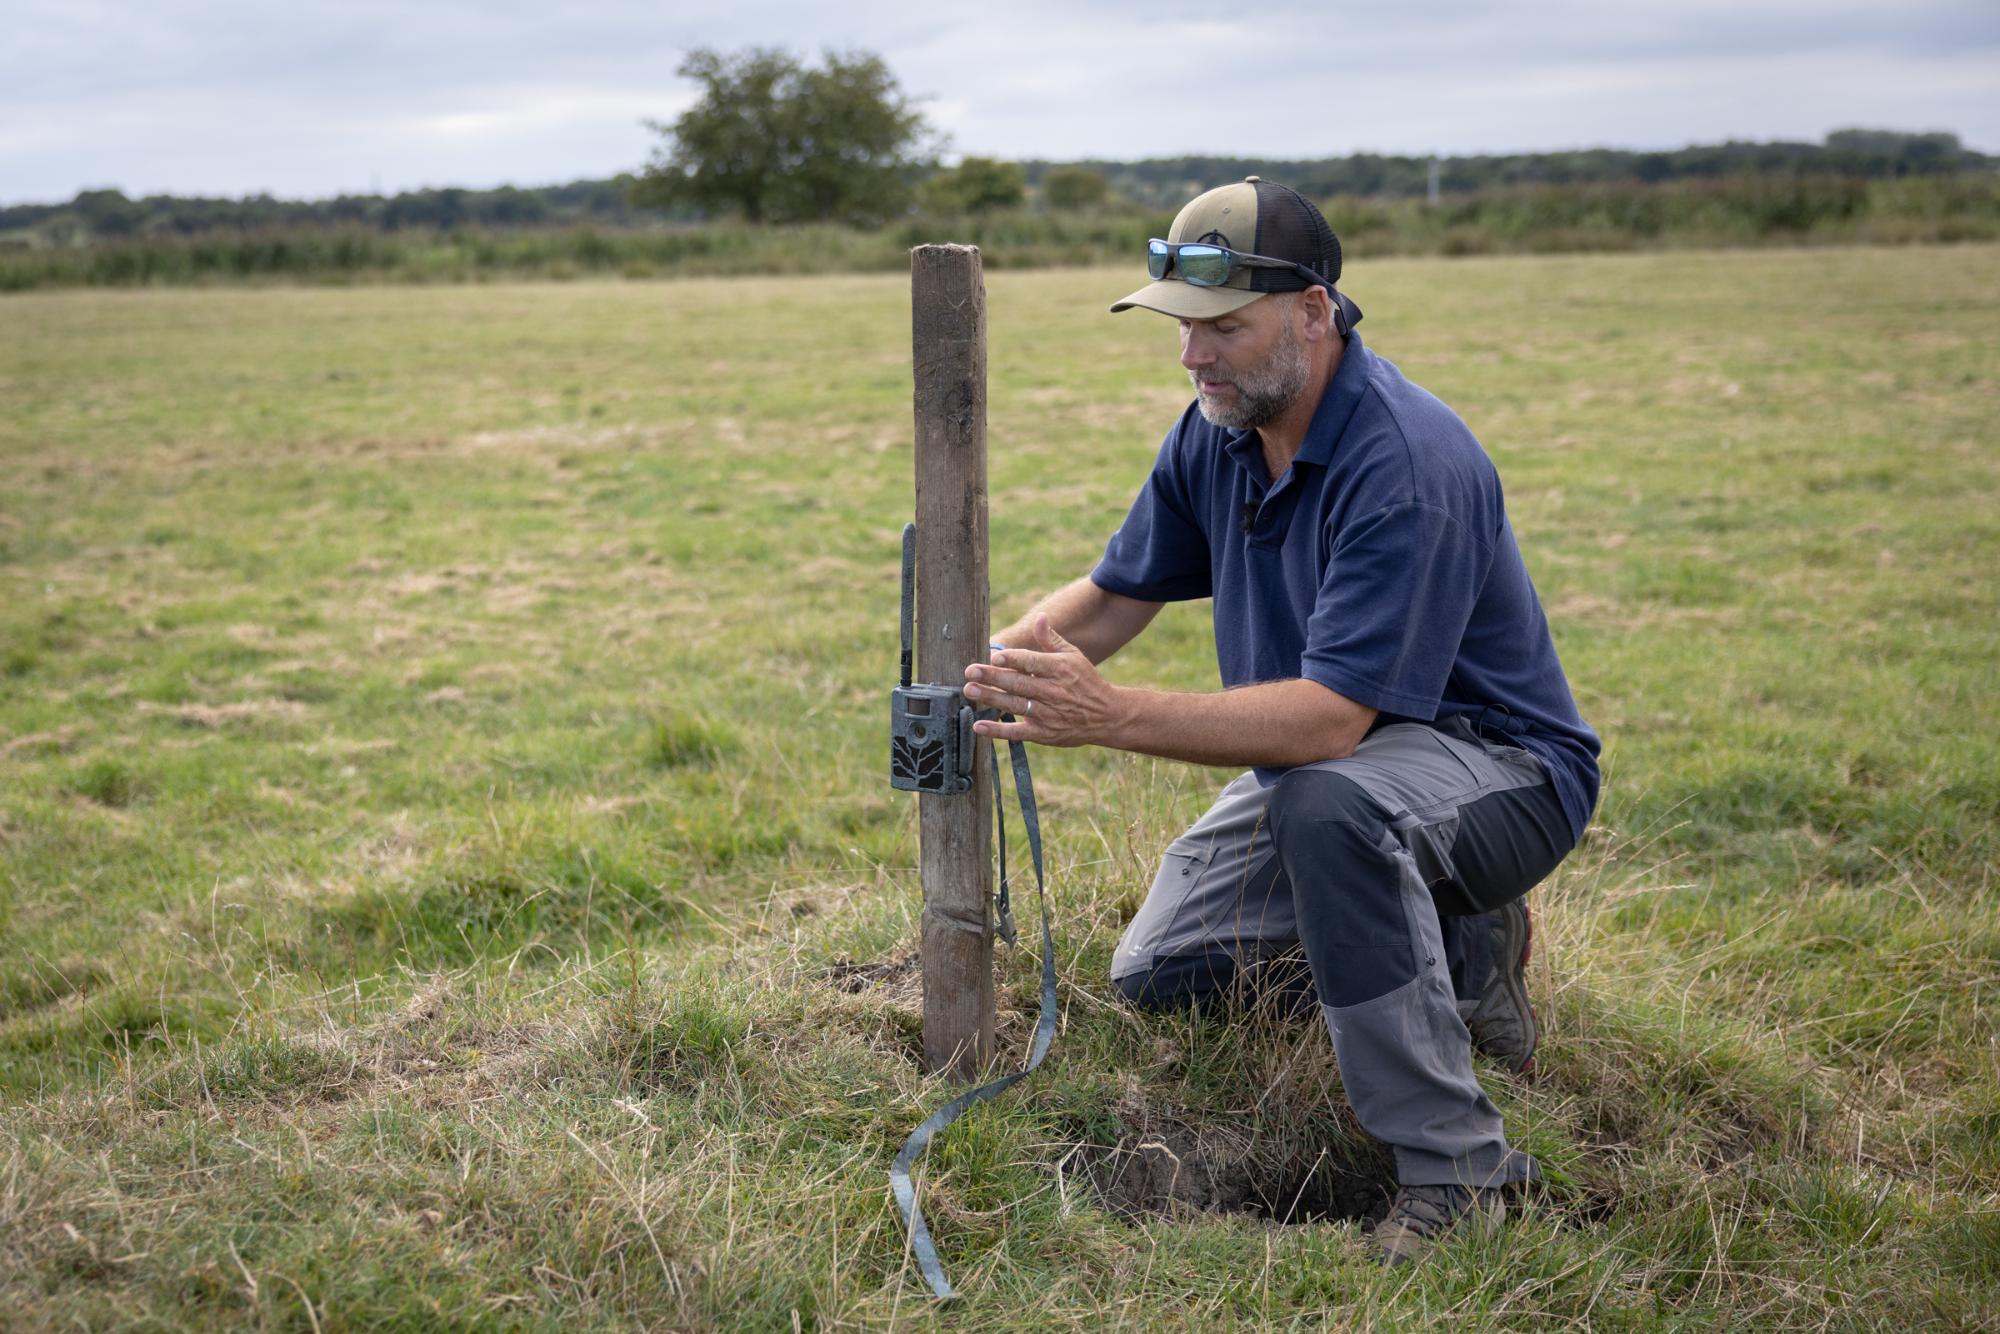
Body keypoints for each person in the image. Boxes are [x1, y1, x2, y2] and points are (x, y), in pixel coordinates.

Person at [962, 177, 1600, 1266]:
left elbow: (1323, 726)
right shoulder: (1217, 428)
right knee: (1159, 973)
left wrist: (1105, 715)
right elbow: (1117, 597)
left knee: (1328, 806)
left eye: (1222, 327)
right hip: (1343, 775)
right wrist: (987, 672)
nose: (1191, 357)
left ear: (1312, 310)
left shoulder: (1403, 460)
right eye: (1179, 328)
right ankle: (1452, 940)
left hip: (1498, 770)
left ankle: (1460, 1171)